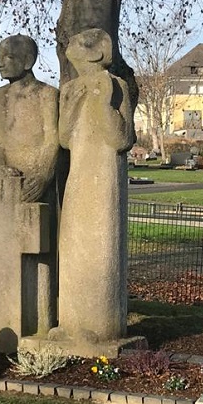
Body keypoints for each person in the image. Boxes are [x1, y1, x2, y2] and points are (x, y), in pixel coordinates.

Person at [56, 28, 135, 341]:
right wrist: (74, 104)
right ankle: (71, 323)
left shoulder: (116, 86)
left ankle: (100, 325)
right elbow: (64, 139)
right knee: (73, 242)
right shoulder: (70, 89)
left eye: (75, 45)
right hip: (79, 177)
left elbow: (122, 139)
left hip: (104, 178)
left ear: (94, 53)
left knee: (101, 246)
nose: (70, 49)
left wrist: (105, 103)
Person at [0, 35, 59, 335]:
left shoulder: (47, 96)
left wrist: (42, 174)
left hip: (39, 183)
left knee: (40, 256)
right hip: (5, 186)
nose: (1, 61)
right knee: (4, 251)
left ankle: (41, 323)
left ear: (27, 61)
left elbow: (52, 140)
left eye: (8, 56)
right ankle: (5, 322)